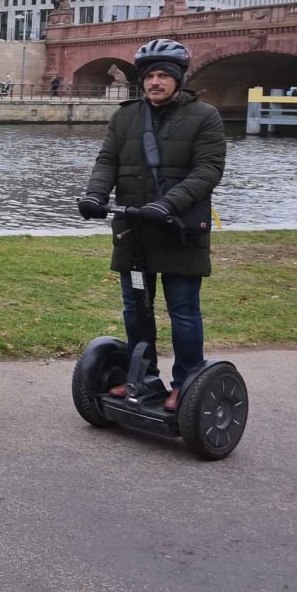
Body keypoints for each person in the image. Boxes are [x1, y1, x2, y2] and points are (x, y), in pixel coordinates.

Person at [76, 38, 225, 412]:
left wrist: (168, 204)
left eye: (163, 75)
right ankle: (142, 378)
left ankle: (186, 383)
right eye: (149, 76)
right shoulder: (125, 116)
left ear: (178, 79)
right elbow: (107, 161)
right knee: (136, 309)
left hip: (179, 229)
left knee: (183, 309)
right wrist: (95, 195)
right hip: (134, 231)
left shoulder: (204, 116)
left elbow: (208, 170)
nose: (155, 82)